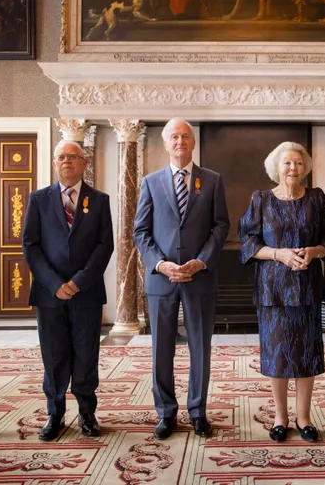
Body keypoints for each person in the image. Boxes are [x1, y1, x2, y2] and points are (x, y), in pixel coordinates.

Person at [133, 118, 229, 440]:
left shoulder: (212, 181)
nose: (180, 141)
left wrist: (200, 262)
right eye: (174, 136)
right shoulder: (150, 182)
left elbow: (220, 226)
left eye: (185, 136)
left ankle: (198, 411)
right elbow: (141, 231)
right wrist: (160, 264)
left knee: (200, 347)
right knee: (162, 349)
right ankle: (166, 413)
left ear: (193, 142)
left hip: (198, 278)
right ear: (165, 143)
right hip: (162, 280)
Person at [239, 142, 325, 443]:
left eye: (297, 163)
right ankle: (281, 417)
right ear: (276, 168)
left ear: (304, 167)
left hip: (307, 288)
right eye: (287, 163)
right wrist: (278, 254)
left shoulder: (317, 198)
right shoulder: (261, 200)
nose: (293, 168)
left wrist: (315, 251)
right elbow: (247, 242)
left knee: (307, 352)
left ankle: (304, 417)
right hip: (273, 290)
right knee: (278, 354)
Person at [22, 141, 114, 441]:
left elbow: (105, 246)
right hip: (49, 294)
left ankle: (87, 413)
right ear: (54, 162)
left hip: (85, 292)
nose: (66, 162)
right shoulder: (38, 199)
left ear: (84, 162)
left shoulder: (99, 200)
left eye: (72, 157)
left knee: (86, 353)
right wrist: (55, 283)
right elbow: (31, 246)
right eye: (61, 157)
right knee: (54, 354)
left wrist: (78, 282)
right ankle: (55, 413)